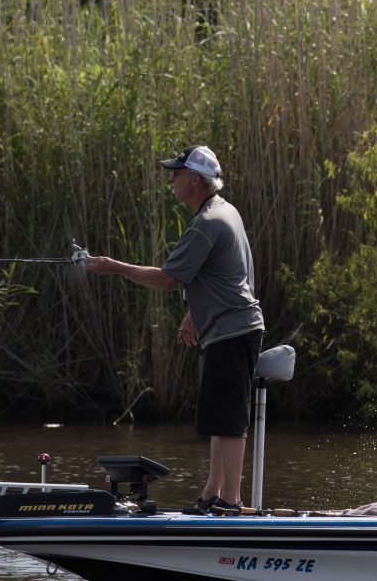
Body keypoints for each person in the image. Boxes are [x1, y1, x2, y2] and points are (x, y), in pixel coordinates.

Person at [86, 145, 264, 514]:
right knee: (218, 417)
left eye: (177, 174)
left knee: (229, 421)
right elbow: (224, 275)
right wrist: (192, 313)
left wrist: (113, 266)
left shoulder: (207, 223)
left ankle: (230, 502)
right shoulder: (224, 211)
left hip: (232, 332)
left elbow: (168, 279)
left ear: (196, 180)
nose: (172, 179)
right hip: (230, 329)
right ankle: (212, 494)